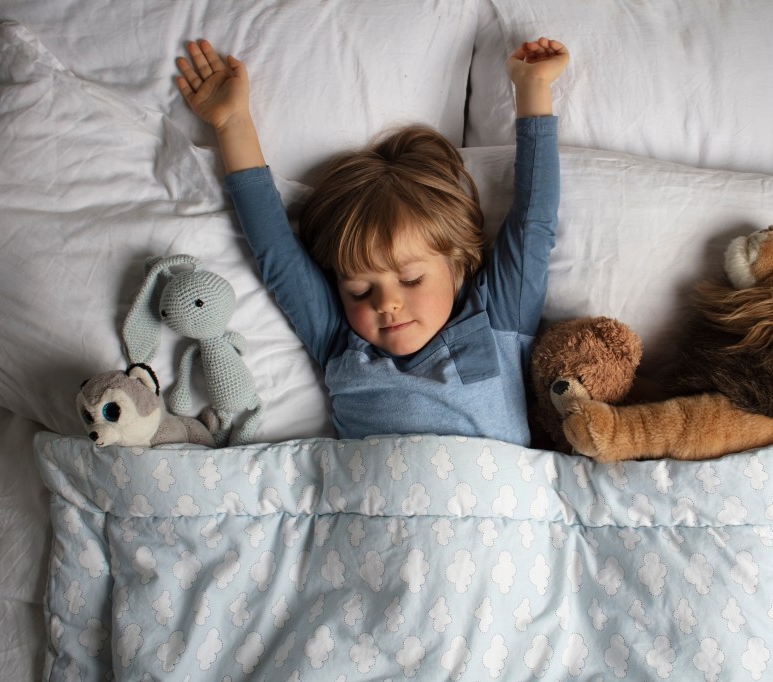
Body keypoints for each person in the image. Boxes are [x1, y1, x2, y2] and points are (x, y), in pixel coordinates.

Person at [176, 37, 569, 445]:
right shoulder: (340, 343)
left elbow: (533, 222)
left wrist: (533, 87)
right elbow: (276, 251)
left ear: (459, 265)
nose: (385, 303)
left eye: (412, 279)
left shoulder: (498, 320)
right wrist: (232, 123)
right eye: (360, 291)